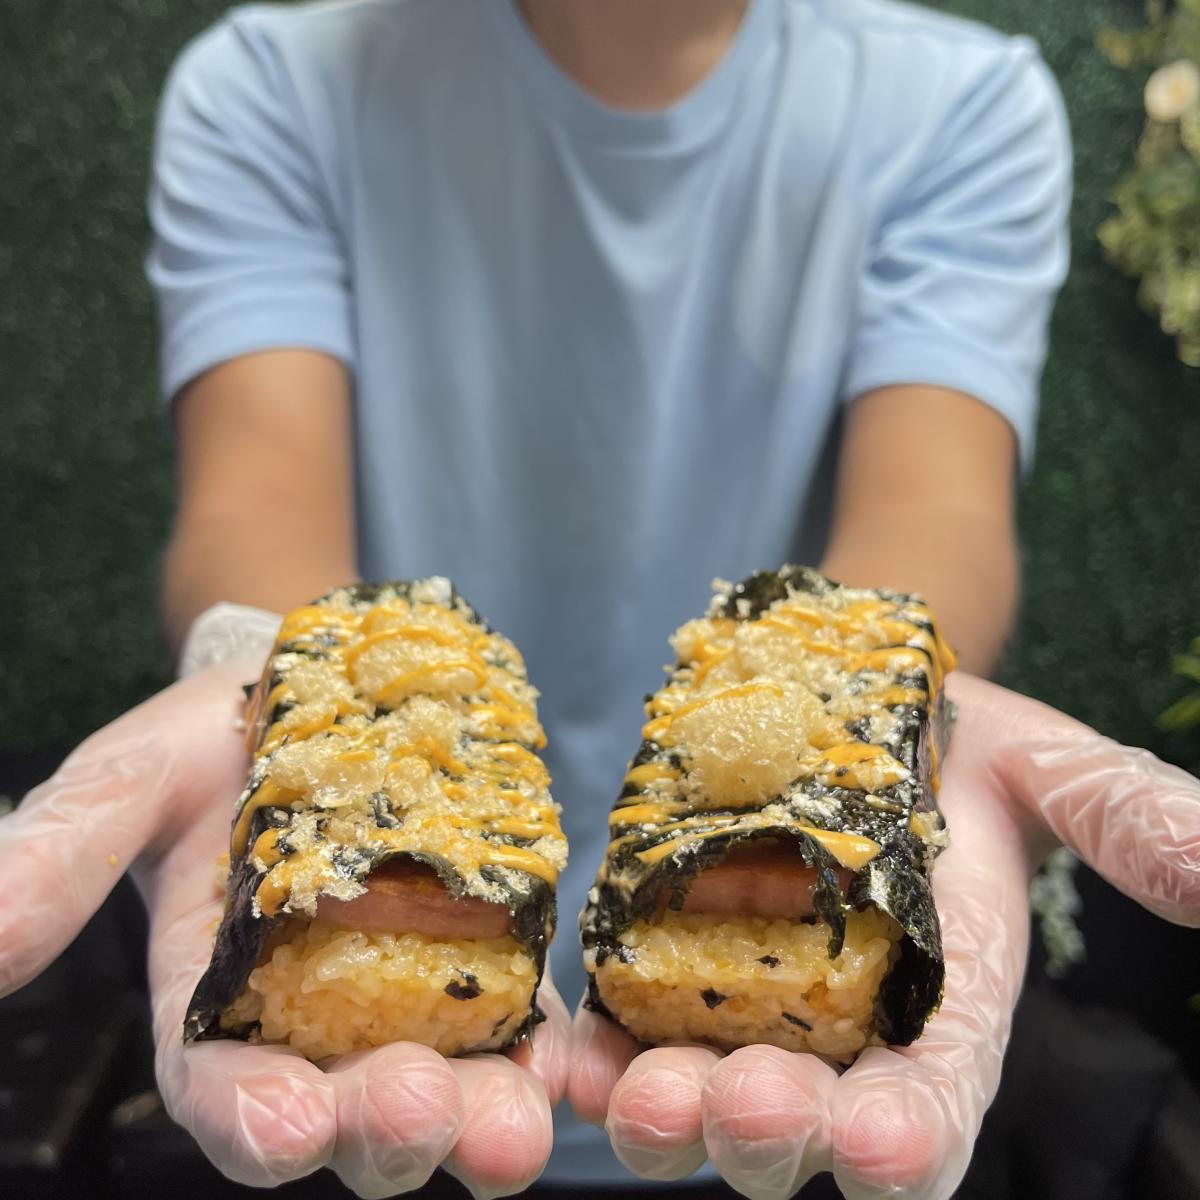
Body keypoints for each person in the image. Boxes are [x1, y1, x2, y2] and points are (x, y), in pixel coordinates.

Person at [1, 1, 1197, 1197]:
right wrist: (254, 666)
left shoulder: (961, 102)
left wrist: (898, 739)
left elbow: (937, 508)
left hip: (806, 1069)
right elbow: (254, 498)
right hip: (352, 1071)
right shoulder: (271, 82)